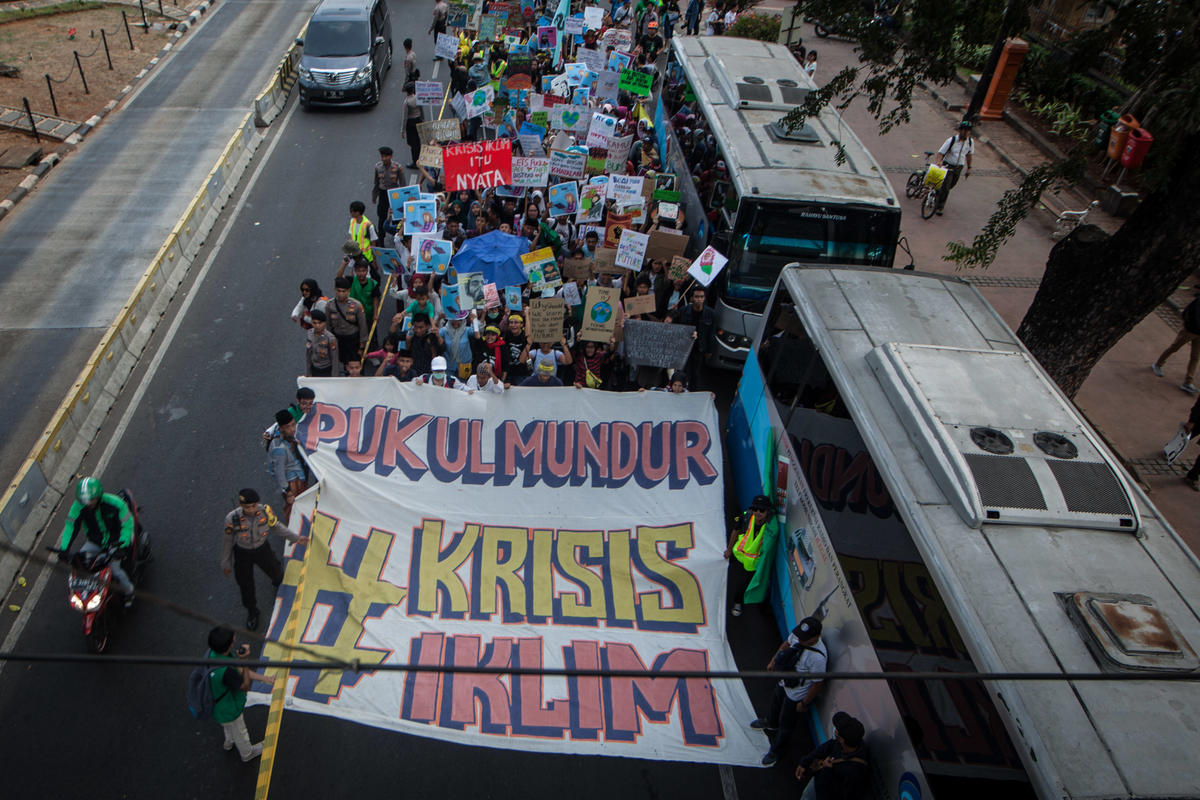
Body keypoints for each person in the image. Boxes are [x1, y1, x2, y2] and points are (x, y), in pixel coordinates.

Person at [220, 488, 304, 631]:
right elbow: (228, 540)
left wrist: (295, 538)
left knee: (277, 572)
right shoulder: (232, 518)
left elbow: (276, 527)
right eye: (247, 507)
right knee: (246, 586)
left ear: (257, 503)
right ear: (241, 505)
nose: (251, 510)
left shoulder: (265, 512)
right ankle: (252, 612)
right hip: (243, 552)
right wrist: (226, 562)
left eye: (253, 506)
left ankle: (279, 584)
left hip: (261, 549)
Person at [753, 616, 828, 767]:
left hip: (796, 693)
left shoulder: (818, 658)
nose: (800, 639)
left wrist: (804, 703)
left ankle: (776, 751)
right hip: (784, 681)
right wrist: (773, 660)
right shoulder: (798, 636)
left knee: (786, 725)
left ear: (816, 637)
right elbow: (786, 644)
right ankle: (770, 722)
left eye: (805, 638)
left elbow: (817, 684)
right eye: (800, 636)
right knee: (775, 703)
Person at [58, 477, 136, 607]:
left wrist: (122, 545)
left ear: (99, 496)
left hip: (116, 543)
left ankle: (129, 591)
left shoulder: (115, 504)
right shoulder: (78, 507)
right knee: (80, 565)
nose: (87, 503)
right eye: (84, 500)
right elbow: (70, 526)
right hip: (95, 542)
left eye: (90, 499)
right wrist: (64, 549)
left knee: (116, 570)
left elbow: (127, 525)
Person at [205, 626, 275, 762]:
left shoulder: (211, 654)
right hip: (229, 709)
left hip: (217, 707)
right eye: (233, 639)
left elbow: (239, 671)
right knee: (240, 731)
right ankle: (247, 753)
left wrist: (267, 679)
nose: (235, 638)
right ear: (229, 645)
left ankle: (229, 742)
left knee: (228, 727)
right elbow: (245, 685)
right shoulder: (226, 671)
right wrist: (244, 660)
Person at [725, 494, 779, 616]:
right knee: (740, 584)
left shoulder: (771, 526)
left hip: (757, 563)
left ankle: (758, 604)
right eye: (755, 509)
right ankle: (737, 602)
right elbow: (736, 530)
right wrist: (729, 550)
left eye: (761, 510)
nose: (757, 512)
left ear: (767, 511)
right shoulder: (747, 516)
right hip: (740, 556)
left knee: (759, 584)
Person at [795, 712, 869, 799]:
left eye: (837, 729)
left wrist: (826, 771)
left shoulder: (855, 773)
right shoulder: (851, 742)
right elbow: (828, 746)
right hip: (818, 782)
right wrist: (806, 762)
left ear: (842, 739)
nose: (835, 729)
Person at [266, 409, 311, 524]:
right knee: (292, 508)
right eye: (288, 427)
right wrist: (288, 492)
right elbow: (279, 472)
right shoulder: (279, 449)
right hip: (292, 482)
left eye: (293, 425)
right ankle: (294, 531)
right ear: (281, 428)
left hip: (299, 476)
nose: (292, 429)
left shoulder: (288, 438)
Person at [667, 286, 715, 390]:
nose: (699, 299)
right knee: (683, 371)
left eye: (701, 297)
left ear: (705, 298)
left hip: (700, 348)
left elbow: (711, 333)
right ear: (692, 298)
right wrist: (672, 313)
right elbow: (675, 326)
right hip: (684, 347)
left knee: (697, 373)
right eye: (697, 297)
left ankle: (694, 390)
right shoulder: (683, 310)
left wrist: (709, 350)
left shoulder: (710, 313)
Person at [1153, 294, 1200, 394]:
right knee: (1174, 348)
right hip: (1190, 331)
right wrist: (1189, 326)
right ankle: (1158, 364)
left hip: (1198, 333)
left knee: (1195, 356)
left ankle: (1188, 382)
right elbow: (1189, 313)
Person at [326, 277, 368, 371]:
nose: (341, 294)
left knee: (357, 362)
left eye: (344, 291)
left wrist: (362, 346)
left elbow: (363, 326)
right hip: (339, 338)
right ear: (335, 290)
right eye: (338, 291)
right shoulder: (330, 305)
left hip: (353, 338)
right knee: (344, 361)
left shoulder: (356, 305)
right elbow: (328, 325)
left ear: (348, 291)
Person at [934, 121, 974, 215]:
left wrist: (969, 168)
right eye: (964, 130)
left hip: (959, 167)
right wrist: (939, 162)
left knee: (951, 185)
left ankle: (938, 192)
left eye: (968, 131)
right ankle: (939, 207)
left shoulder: (970, 142)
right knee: (946, 187)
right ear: (960, 130)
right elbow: (940, 153)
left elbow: (969, 155)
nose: (966, 133)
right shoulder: (951, 141)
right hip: (948, 165)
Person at [372, 146, 404, 235]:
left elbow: (403, 184)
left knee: (396, 215)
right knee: (381, 216)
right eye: (382, 156)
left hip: (394, 194)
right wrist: (374, 196)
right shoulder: (377, 167)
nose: (384, 159)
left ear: (391, 156)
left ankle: (397, 234)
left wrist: (403, 198)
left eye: (386, 156)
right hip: (383, 194)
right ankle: (381, 237)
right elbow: (376, 183)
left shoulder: (398, 167)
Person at [347, 201, 378, 275]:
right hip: (355, 255)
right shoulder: (352, 221)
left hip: (366, 257)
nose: (350, 213)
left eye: (351, 211)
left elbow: (373, 243)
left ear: (357, 213)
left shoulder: (368, 225)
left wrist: (374, 260)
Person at [305, 309, 337, 377]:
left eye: (320, 323)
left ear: (324, 323)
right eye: (314, 323)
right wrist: (308, 373)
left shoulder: (330, 338)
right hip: (314, 368)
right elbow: (308, 354)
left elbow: (334, 359)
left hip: (326, 370)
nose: (317, 326)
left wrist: (334, 377)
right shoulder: (309, 334)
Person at [404, 82, 424, 167]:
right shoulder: (418, 98)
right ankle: (420, 158)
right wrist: (423, 119)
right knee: (418, 141)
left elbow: (405, 117)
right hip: (418, 120)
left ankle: (415, 161)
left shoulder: (406, 102)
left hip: (411, 123)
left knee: (413, 143)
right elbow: (421, 110)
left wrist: (403, 129)